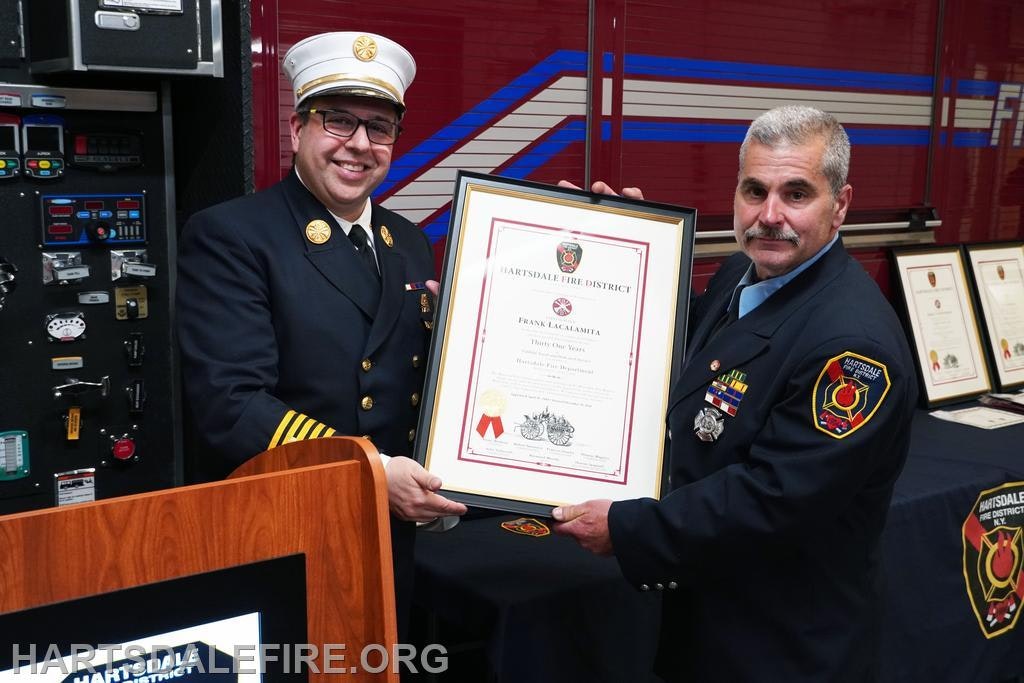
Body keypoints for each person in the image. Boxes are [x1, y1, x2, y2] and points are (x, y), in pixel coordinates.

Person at [552, 106, 917, 681]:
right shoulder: (741, 275)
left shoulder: (852, 349)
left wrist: (627, 529)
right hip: (709, 625)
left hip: (780, 650)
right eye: (755, 190)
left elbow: (772, 499)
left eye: (796, 194)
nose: (770, 216)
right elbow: (670, 346)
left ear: (840, 205)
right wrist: (618, 243)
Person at [176, 31, 466, 631]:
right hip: (289, 522)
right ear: (297, 130)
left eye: (379, 128)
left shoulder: (408, 242)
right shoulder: (233, 236)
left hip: (393, 531)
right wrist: (371, 472)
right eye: (339, 121)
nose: (359, 145)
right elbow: (232, 405)